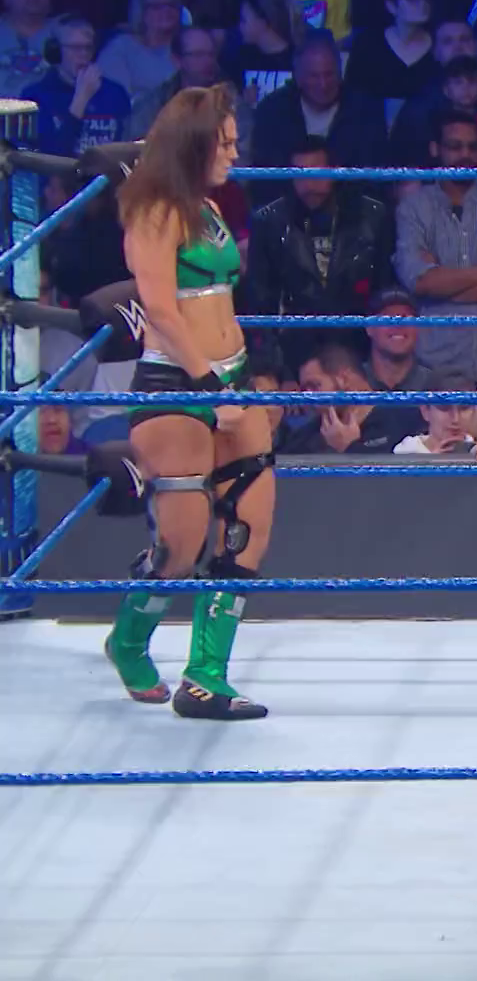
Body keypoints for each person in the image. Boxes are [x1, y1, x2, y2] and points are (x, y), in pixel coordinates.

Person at [106, 85, 273, 721]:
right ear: (194, 144)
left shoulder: (208, 206)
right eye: (224, 143)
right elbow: (160, 311)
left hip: (233, 378)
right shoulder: (153, 209)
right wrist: (210, 388)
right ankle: (128, 640)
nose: (234, 153)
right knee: (180, 545)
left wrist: (236, 382)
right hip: (177, 387)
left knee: (246, 528)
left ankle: (205, 678)